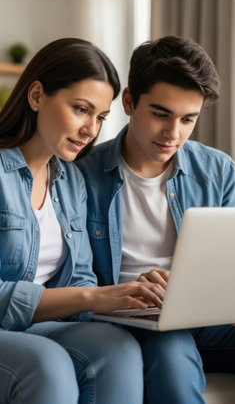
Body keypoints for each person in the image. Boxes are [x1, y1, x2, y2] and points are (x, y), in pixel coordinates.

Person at [77, 35, 235, 404]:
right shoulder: (81, 175)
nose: (174, 134)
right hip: (133, 319)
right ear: (129, 102)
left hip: (209, 318)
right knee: (171, 355)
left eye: (188, 119)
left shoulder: (217, 170)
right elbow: (75, 279)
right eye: (160, 114)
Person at [0, 37, 164, 404]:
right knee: (47, 362)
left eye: (101, 117)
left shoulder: (72, 180)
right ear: (37, 95)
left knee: (117, 347)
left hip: (40, 327)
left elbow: (79, 279)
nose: (92, 128)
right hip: (13, 331)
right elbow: (84, 291)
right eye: (81, 109)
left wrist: (131, 296)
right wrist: (93, 295)